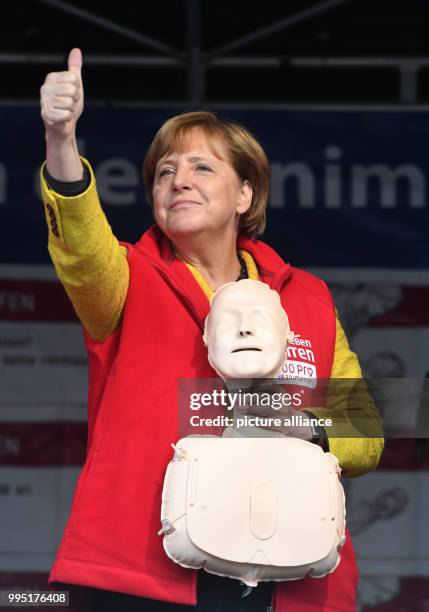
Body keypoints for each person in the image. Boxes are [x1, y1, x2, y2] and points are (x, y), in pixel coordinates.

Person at [39, 48, 384, 612]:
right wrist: (60, 141)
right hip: (143, 575)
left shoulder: (308, 296)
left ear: (245, 195)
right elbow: (80, 249)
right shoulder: (127, 277)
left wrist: (304, 425)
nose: (179, 181)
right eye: (165, 172)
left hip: (288, 577)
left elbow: (367, 427)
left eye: (203, 167)